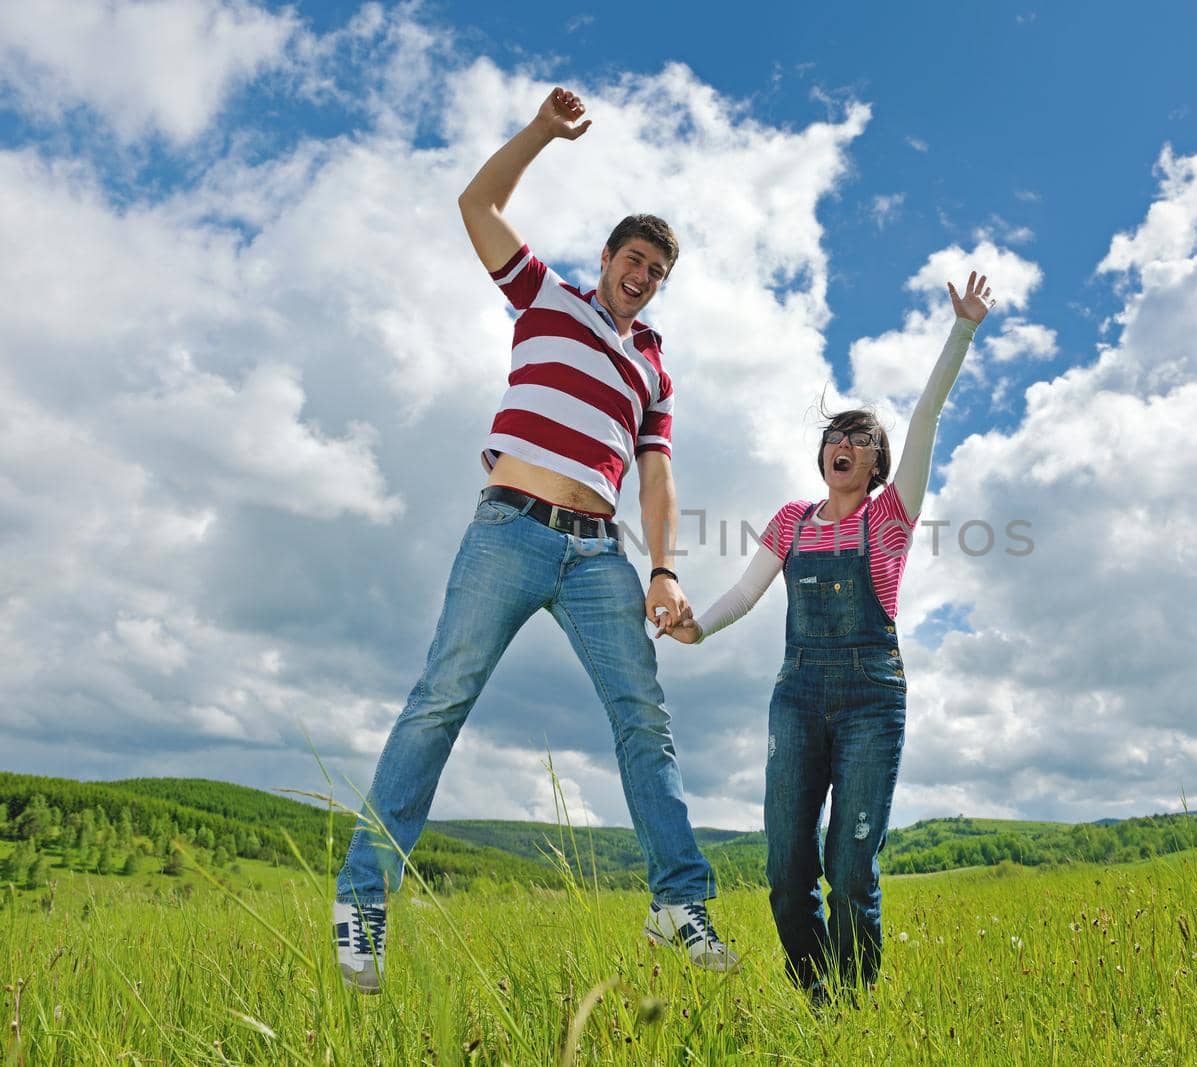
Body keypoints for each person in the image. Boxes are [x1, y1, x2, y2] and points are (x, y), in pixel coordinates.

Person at [332, 87, 737, 993]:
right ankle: (364, 896)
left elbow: (658, 474)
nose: (642, 275)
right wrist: (543, 135)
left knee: (646, 721)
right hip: (510, 529)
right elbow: (477, 206)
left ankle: (677, 902)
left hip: (600, 555)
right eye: (634, 258)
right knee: (440, 699)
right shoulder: (544, 295)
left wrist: (665, 569)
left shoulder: (655, 367)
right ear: (606, 258)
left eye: (657, 271)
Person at [659, 272, 993, 996]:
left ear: (876, 463)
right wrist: (699, 630)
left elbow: (928, 414)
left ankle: (853, 1003)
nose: (843, 444)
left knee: (851, 869)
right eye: (834, 436)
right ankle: (817, 994)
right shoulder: (789, 519)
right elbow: (747, 592)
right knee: (785, 870)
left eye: (859, 438)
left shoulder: (890, 517)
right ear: (823, 456)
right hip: (798, 697)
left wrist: (962, 328)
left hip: (874, 698)